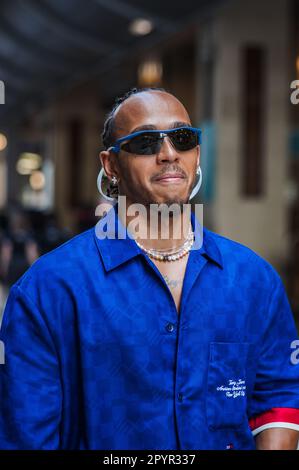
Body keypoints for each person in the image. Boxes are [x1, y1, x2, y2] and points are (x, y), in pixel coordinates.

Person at [0, 87, 299, 450]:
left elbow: (278, 392)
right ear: (111, 165)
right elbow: (26, 434)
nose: (168, 153)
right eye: (145, 142)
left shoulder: (253, 280)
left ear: (197, 154)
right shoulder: (48, 291)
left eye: (182, 138)